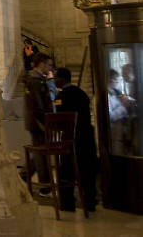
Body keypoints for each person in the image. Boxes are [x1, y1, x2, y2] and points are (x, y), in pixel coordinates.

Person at [54, 67, 98, 212]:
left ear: (62, 79)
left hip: (72, 138)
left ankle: (67, 204)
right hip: (86, 136)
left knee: (66, 170)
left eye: (56, 78)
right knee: (87, 170)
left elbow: (59, 118)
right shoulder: (82, 93)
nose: (54, 81)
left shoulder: (61, 96)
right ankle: (90, 201)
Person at [25, 52, 53, 188]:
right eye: (49, 65)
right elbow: (37, 105)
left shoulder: (37, 80)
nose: (50, 68)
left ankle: (24, 175)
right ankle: (45, 184)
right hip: (38, 123)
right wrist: (44, 122)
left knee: (39, 152)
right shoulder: (35, 81)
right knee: (40, 153)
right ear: (41, 64)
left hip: (38, 121)